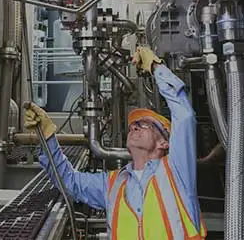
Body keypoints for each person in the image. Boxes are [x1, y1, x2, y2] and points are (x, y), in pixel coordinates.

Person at [24, 46, 206, 239]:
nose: (134, 127)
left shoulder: (176, 172)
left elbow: (184, 115)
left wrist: (155, 67)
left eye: (145, 125)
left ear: (164, 143)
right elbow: (70, 182)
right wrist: (47, 136)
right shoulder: (112, 184)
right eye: (133, 125)